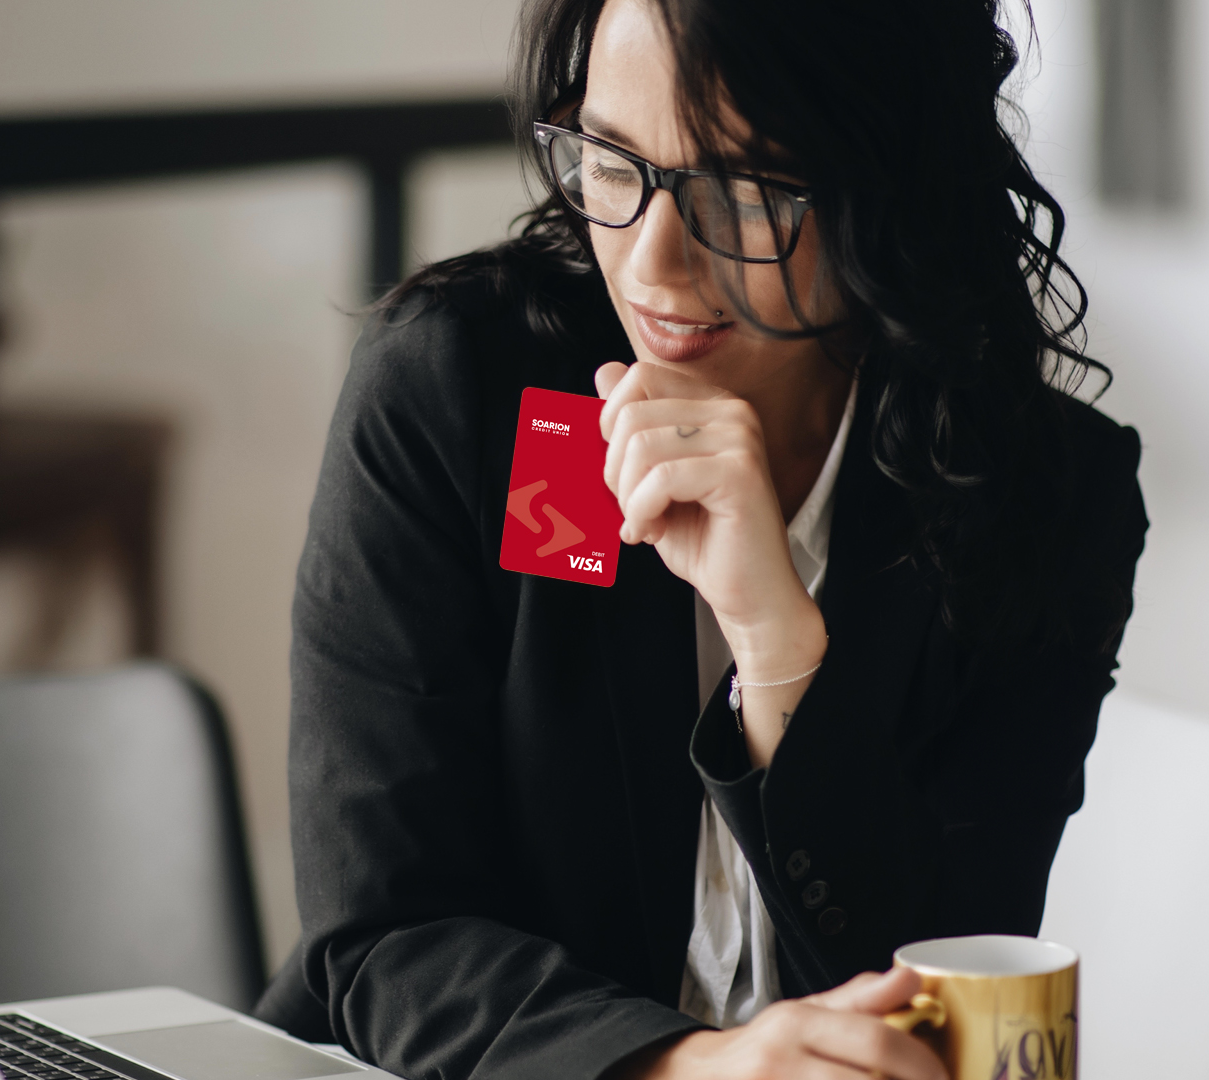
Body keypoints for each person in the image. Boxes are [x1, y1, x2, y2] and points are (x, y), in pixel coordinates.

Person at [254, 0, 1148, 1077]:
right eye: (613, 163)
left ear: (895, 179)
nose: (655, 266)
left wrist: (777, 652)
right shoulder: (477, 399)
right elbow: (385, 934)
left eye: (749, 188)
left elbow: (944, 989)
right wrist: (686, 1069)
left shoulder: (1040, 495)